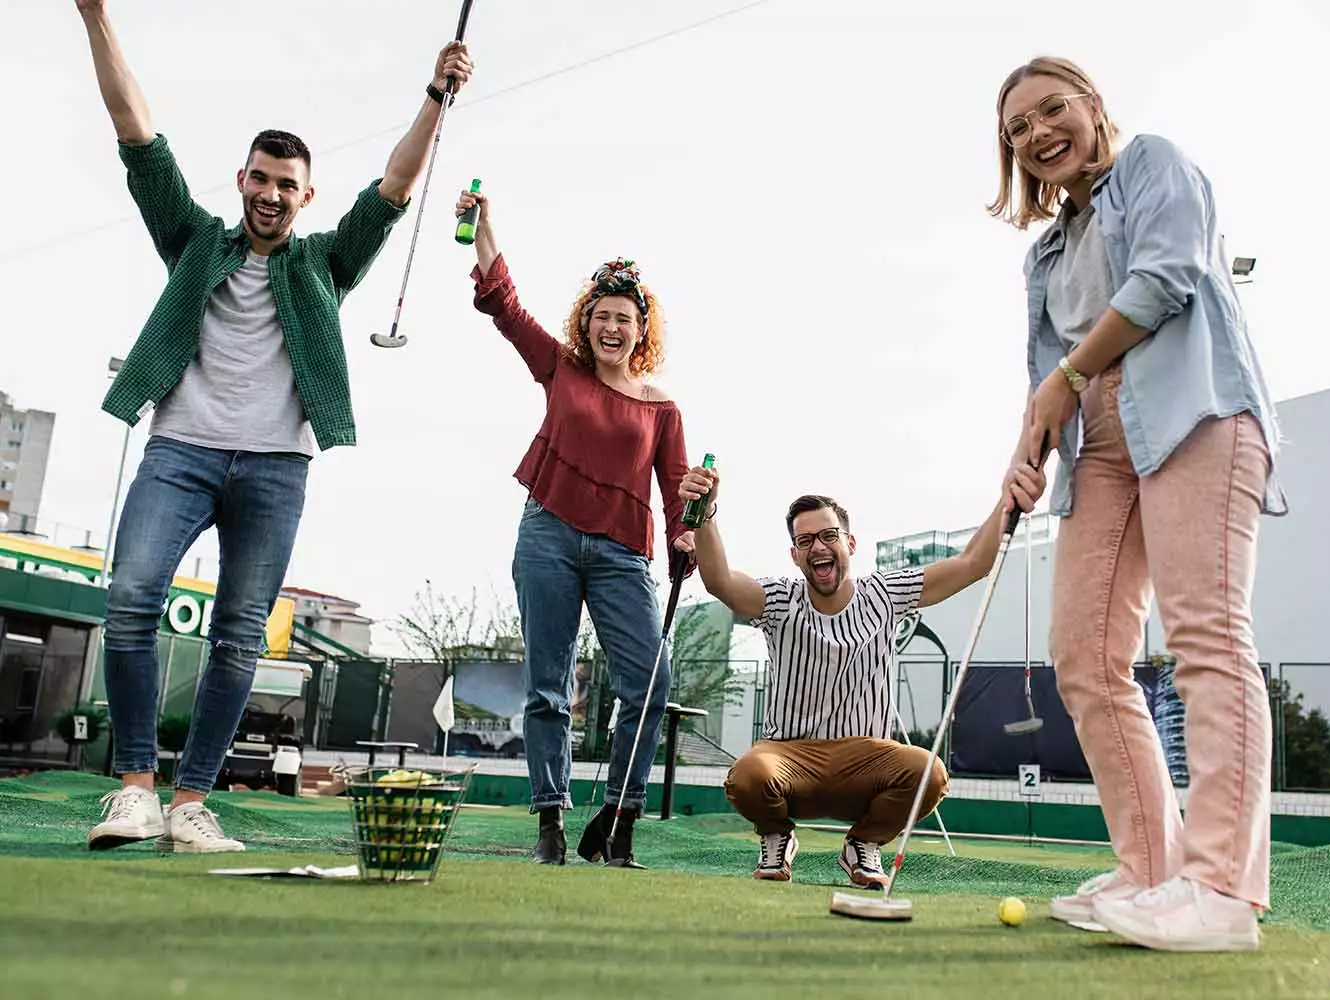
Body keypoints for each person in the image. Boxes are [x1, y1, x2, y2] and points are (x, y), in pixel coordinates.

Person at [75, 0, 474, 854]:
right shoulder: (192, 239)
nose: (269, 194)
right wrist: (94, 16)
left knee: (239, 637)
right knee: (131, 598)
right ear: (242, 180)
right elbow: (135, 131)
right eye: (259, 178)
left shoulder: (325, 263)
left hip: (275, 468)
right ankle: (136, 790)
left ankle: (191, 805)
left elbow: (394, 189)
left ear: (304, 197)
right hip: (179, 451)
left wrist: (436, 96)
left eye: (286, 185)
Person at [990, 56, 1287, 951]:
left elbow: (1167, 278)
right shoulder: (1044, 250)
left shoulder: (1154, 164)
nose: (1039, 134)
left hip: (1196, 413)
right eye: (1018, 130)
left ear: (1092, 105)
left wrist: (1067, 381)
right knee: (1083, 652)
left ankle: (1222, 891)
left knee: (1205, 633)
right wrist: (1027, 447)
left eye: (1053, 110)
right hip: (1104, 450)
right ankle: (1153, 873)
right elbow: (1049, 377)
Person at [458, 185, 696, 869]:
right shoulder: (560, 367)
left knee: (650, 684)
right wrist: (483, 228)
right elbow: (504, 304)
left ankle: (618, 818)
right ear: (586, 321)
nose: (612, 328)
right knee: (548, 687)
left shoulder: (663, 406)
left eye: (624, 319)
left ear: (641, 330)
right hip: (549, 536)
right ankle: (550, 822)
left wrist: (685, 533)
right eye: (602, 316)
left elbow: (676, 492)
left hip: (622, 554)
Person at [678, 464, 1018, 889]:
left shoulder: (885, 594)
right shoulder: (780, 598)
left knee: (928, 772)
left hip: (866, 758)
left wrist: (1009, 498)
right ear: (795, 554)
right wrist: (706, 514)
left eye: (828, 535)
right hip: (789, 757)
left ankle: (863, 844)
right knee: (748, 777)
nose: (818, 546)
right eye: (805, 541)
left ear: (849, 543)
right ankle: (777, 836)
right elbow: (721, 582)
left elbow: (971, 565)